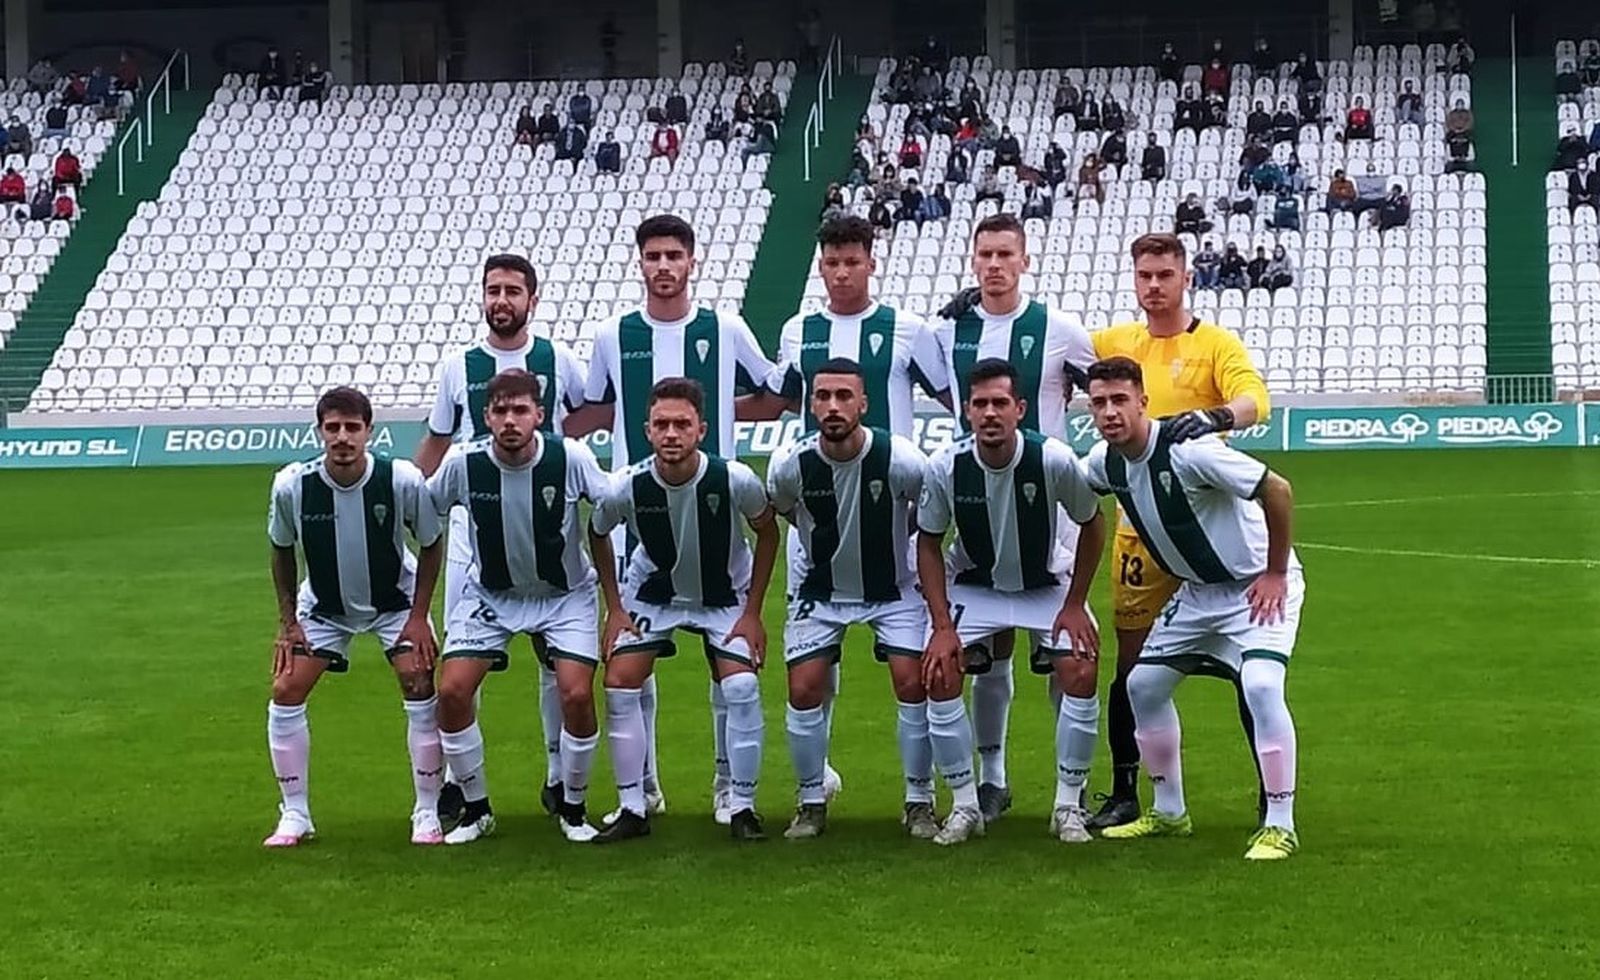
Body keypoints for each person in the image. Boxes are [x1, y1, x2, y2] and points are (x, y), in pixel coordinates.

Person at [566, 215, 779, 824]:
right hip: (637, 515)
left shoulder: (726, 328)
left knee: (728, 671)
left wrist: (716, 427)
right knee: (632, 665)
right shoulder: (613, 334)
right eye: (653, 256)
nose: (663, 266)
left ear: (691, 261)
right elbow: (596, 408)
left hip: (715, 511)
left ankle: (728, 788)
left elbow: (772, 396)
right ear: (641, 263)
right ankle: (645, 788)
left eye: (673, 255)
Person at [1083, 356, 1304, 861]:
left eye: (1120, 400)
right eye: (1099, 403)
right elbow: (1069, 488)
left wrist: (1275, 572)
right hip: (1199, 593)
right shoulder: (1103, 462)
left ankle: (1280, 823)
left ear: (1143, 402)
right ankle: (1169, 812)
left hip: (1257, 586)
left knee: (1261, 685)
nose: (1110, 411)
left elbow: (1277, 489)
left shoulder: (1190, 451)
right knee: (1142, 685)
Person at [1084, 250, 1271, 829]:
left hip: (1205, 529)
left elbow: (1255, 399)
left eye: (1165, 274)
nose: (1154, 285)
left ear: (1186, 278)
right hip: (1138, 536)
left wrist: (1218, 417)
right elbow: (1043, 352)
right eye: (1144, 275)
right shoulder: (1113, 341)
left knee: (1248, 672)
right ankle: (1126, 792)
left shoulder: (1215, 344)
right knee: (1133, 669)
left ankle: (1270, 793)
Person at [928, 215, 1099, 824]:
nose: (995, 264)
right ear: (973, 261)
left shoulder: (1060, 329)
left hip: (1050, 514)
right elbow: (943, 392)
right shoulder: (946, 330)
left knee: (1065, 656)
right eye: (986, 255)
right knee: (989, 655)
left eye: (1006, 254)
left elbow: (1101, 384)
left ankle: (1070, 795)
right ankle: (992, 781)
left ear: (1025, 260)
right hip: (979, 505)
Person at [412, 253, 588, 825]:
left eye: (513, 290)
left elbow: (585, 419)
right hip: (474, 531)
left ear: (532, 299)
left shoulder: (559, 359)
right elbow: (437, 440)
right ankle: (458, 785)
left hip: (546, 523)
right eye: (493, 290)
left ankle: (558, 775)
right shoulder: (458, 365)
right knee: (465, 658)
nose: (502, 300)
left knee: (554, 656)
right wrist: (406, 498)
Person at [917, 358, 1108, 844]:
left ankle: (1068, 804)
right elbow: (928, 543)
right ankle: (967, 804)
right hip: (976, 586)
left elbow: (1092, 523)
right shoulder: (946, 465)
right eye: (980, 404)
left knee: (1080, 666)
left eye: (1000, 403)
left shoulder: (1053, 459)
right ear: (966, 411)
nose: (989, 413)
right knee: (939, 672)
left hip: (1046, 585)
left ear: (1019, 409)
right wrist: (942, 626)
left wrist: (1075, 603)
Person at [426, 368, 615, 845]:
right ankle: (476, 810)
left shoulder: (570, 457)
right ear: (486, 416)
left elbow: (611, 507)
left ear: (540, 415)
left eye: (520, 410)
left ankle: (573, 808)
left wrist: (617, 602)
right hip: (492, 595)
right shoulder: (462, 463)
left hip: (563, 596)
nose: (510, 420)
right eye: (501, 411)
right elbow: (425, 514)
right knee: (452, 692)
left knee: (576, 694)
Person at [589, 378, 778, 842]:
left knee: (741, 686)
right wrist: (615, 608)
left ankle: (740, 804)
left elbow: (768, 532)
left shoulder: (735, 479)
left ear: (701, 430)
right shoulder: (626, 486)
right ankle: (634, 805)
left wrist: (753, 612)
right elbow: (597, 532)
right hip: (653, 594)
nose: (671, 434)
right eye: (662, 425)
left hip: (724, 596)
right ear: (647, 431)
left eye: (682, 424)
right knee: (619, 682)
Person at [261, 386, 445, 848]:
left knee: (419, 680)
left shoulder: (400, 480)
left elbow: (431, 542)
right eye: (333, 428)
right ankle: (295, 813)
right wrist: (288, 623)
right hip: (325, 607)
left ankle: (427, 809)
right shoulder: (292, 485)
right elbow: (281, 549)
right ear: (319, 431)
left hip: (395, 604)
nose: (342, 437)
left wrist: (419, 616)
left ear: (370, 432)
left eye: (352, 427)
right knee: (286, 689)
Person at [766, 358, 941, 838]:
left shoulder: (900, 458)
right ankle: (811, 801)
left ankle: (919, 800)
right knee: (804, 688)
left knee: (912, 682)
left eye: (844, 396)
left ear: (863, 403)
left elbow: (928, 514)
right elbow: (785, 511)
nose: (833, 406)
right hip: (821, 590)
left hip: (893, 587)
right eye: (823, 396)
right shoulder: (791, 464)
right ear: (811, 404)